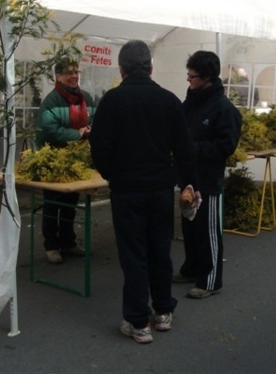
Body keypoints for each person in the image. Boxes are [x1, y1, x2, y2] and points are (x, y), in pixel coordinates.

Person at [89, 40, 198, 344]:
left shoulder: (111, 100)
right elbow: (184, 148)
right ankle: (163, 312)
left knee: (133, 254)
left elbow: (99, 147)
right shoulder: (168, 100)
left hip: (127, 190)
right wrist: (184, 180)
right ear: (150, 67)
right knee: (159, 250)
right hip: (160, 189)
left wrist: (112, 174)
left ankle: (139, 322)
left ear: (121, 69)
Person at [175, 51, 242, 300]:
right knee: (190, 228)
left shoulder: (224, 109)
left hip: (208, 180)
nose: (189, 80)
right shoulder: (190, 101)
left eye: (192, 76)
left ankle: (212, 280)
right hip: (188, 179)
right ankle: (192, 268)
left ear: (207, 77)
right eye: (188, 75)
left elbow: (226, 146)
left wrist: (192, 148)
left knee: (209, 231)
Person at [36, 56, 95, 264]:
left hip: (76, 160)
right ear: (58, 76)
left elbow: (95, 118)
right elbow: (49, 130)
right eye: (68, 73)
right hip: (53, 161)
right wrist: (77, 134)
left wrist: (90, 129)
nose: (73, 76)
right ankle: (51, 245)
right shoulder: (51, 101)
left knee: (71, 202)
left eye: (76, 72)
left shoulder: (86, 97)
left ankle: (68, 242)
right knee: (53, 204)